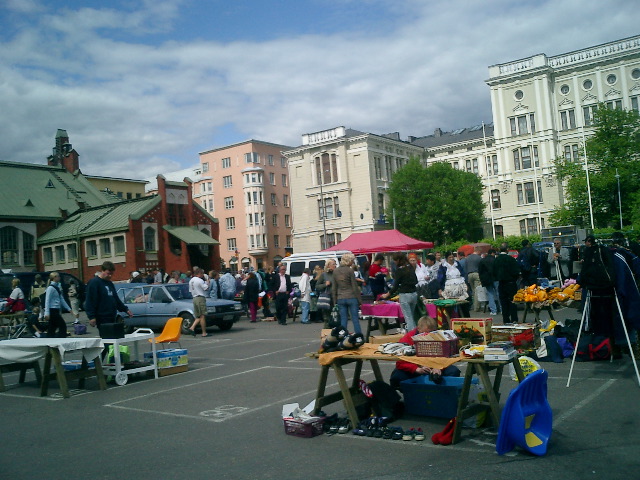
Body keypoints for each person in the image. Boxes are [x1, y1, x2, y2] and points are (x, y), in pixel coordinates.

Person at [389, 316, 461, 389]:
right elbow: (400, 361)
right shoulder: (407, 338)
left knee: (453, 371)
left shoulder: (440, 337)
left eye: (431, 332)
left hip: (434, 366)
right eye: (424, 333)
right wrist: (416, 369)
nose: (427, 336)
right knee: (397, 377)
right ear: (418, 329)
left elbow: (446, 357)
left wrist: (439, 367)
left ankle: (444, 393)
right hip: (416, 367)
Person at [85, 261, 133, 336]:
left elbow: (116, 299)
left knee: (114, 338)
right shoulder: (94, 283)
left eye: (111, 274)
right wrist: (91, 317)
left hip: (111, 315)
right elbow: (90, 301)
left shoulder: (109, 283)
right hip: (102, 316)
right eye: (108, 273)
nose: (110, 276)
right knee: (107, 338)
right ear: (102, 271)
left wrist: (125, 309)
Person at [382, 253, 419, 331]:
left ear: (398, 260)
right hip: (414, 294)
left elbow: (395, 286)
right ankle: (415, 333)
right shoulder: (410, 267)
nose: (395, 262)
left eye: (395, 260)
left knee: (408, 318)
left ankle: (412, 335)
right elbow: (416, 281)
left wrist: (387, 294)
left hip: (405, 294)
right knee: (412, 316)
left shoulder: (400, 270)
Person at [332, 253, 362, 334]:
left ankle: (343, 335)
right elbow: (354, 286)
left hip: (340, 297)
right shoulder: (350, 270)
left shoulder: (335, 271)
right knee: (355, 318)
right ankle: (358, 335)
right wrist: (360, 300)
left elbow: (334, 287)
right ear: (348, 261)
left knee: (343, 319)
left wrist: (334, 301)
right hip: (351, 296)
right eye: (352, 260)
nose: (352, 262)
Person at [493, 243, 521, 324]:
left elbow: (494, 272)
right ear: (507, 249)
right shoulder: (511, 259)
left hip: (501, 283)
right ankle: (514, 319)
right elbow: (516, 271)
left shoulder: (496, 260)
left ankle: (505, 319)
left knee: (503, 302)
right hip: (511, 283)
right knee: (513, 301)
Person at [437, 251, 470, 318]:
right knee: (451, 305)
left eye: (452, 257)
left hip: (460, 286)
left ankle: (466, 318)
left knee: (463, 304)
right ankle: (453, 319)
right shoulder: (443, 266)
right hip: (449, 288)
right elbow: (440, 278)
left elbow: (463, 274)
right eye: (450, 257)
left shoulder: (457, 264)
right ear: (447, 258)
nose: (451, 258)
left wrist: (466, 284)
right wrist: (440, 288)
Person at [44, 272, 71, 338]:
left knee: (52, 327)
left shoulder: (57, 287)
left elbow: (61, 299)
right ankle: (61, 339)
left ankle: (49, 339)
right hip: (52, 309)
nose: (59, 277)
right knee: (62, 325)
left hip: (56, 309)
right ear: (54, 277)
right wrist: (46, 313)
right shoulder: (50, 288)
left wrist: (69, 309)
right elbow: (47, 300)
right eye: (58, 276)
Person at [186, 267, 210, 336]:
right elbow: (206, 288)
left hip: (194, 297)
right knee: (202, 315)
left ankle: (192, 327)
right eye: (202, 273)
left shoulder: (191, 280)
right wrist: (207, 282)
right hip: (200, 297)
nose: (203, 275)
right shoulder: (200, 280)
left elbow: (190, 290)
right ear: (199, 273)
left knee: (198, 316)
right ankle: (204, 332)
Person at [478, 249, 500, 316]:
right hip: (495, 278)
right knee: (498, 294)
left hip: (487, 279)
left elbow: (480, 271)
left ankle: (493, 310)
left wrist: (482, 280)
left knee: (490, 294)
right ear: (493, 253)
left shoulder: (482, 260)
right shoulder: (495, 260)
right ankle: (502, 309)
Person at [316, 259, 336, 328]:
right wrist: (325, 284)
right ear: (328, 265)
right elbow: (317, 286)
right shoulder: (324, 275)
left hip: (336, 298)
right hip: (327, 298)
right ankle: (326, 333)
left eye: (335, 264)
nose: (335, 266)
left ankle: (335, 333)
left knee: (336, 317)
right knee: (327, 318)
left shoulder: (336, 274)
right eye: (333, 264)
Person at [465, 247, 483, 311]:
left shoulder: (467, 258)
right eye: (480, 252)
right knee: (477, 291)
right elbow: (481, 268)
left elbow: (465, 267)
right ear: (478, 251)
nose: (481, 254)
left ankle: (474, 305)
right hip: (477, 274)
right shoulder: (479, 258)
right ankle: (477, 307)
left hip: (469, 275)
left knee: (473, 291)